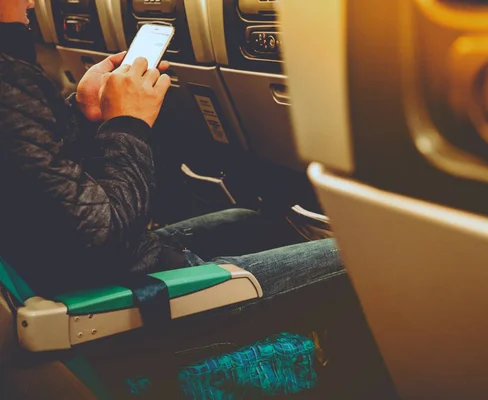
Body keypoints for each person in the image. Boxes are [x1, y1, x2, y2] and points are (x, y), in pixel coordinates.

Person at [0, 0, 344, 301]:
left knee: (255, 222)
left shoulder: (13, 78)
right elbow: (101, 233)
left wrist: (80, 112)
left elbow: (41, 177)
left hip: (105, 264)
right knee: (364, 261)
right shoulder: (9, 78)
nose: (31, 3)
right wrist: (127, 124)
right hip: (121, 294)